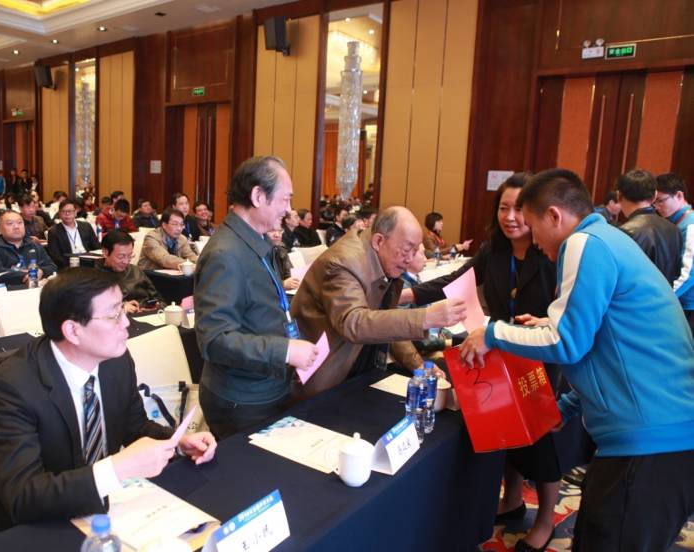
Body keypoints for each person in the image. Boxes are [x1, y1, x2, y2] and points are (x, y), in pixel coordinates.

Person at [459, 168, 694, 552]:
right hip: (650, 439)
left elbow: (566, 342)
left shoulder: (585, 243)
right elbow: (606, 343)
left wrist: (492, 334)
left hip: (650, 441)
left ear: (554, 216)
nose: (535, 241)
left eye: (533, 226)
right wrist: (567, 405)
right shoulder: (608, 239)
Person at [0, 268, 217, 547]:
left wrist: (177, 442)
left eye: (122, 309)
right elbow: (23, 497)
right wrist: (117, 469)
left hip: (93, 512)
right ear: (73, 330)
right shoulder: (9, 389)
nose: (126, 322)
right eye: (114, 315)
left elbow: (134, 425)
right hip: (21, 530)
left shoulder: (116, 361)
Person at [409, 173, 569, 551]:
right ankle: (512, 500)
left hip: (540, 359)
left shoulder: (551, 254)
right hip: (499, 355)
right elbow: (453, 280)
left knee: (541, 444)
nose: (510, 217)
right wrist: (407, 295)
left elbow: (566, 315)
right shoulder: (493, 251)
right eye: (503, 208)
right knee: (507, 432)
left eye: (519, 209)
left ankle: (545, 519)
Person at [194, 156, 319, 439]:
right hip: (242, 399)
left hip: (266, 384)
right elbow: (215, 339)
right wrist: (284, 351)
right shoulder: (225, 254)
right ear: (258, 196)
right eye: (285, 199)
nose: (289, 209)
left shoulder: (256, 240)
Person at [290, 207, 464, 398]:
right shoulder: (344, 262)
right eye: (406, 250)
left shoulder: (383, 260)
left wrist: (418, 365)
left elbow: (386, 322)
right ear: (379, 241)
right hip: (325, 377)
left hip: (359, 368)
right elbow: (354, 323)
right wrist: (425, 318)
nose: (409, 259)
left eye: (415, 251)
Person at [616, 169, 681, 284]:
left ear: (619, 195)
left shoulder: (624, 233)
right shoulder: (674, 229)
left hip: (637, 295)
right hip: (666, 294)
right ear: (655, 195)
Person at [655, 173, 694, 333]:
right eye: (654, 202)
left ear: (679, 195)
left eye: (661, 200)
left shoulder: (690, 225)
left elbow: (688, 273)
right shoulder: (677, 222)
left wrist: (664, 299)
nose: (657, 207)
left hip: (689, 304)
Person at [0, 210, 57, 286]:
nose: (16, 227)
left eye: (20, 223)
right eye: (10, 223)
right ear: (0, 228)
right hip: (10, 291)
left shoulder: (34, 245)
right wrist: (24, 275)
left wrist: (41, 271)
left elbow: (51, 266)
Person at [97, 231, 162, 313]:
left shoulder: (135, 271)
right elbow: (93, 307)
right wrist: (120, 307)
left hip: (147, 314)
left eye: (130, 256)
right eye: (121, 257)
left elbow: (158, 299)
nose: (126, 261)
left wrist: (156, 306)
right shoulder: (93, 275)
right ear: (105, 253)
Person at [47, 199, 101, 268]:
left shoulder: (86, 226)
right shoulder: (54, 232)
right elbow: (56, 257)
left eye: (70, 211)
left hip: (89, 263)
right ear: (59, 214)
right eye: (63, 211)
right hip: (69, 265)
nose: (67, 214)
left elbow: (96, 247)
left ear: (75, 212)